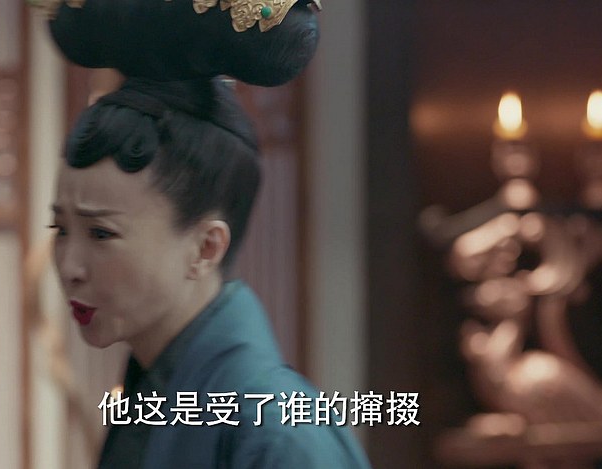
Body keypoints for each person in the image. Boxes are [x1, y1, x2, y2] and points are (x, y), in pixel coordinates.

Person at [41, 0, 372, 467]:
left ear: (205, 247)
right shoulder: (151, 400)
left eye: (100, 233)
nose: (69, 267)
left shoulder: (282, 435)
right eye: (60, 229)